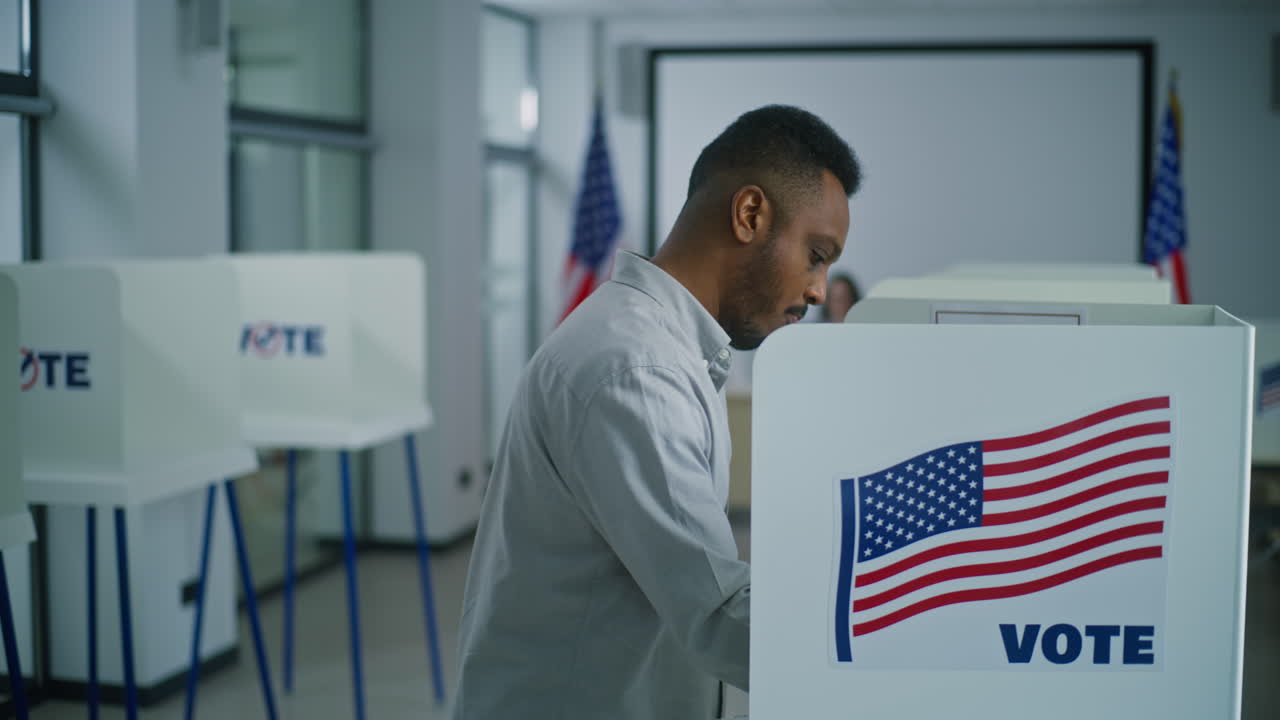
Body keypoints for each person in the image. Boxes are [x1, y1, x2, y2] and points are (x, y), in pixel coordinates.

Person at [452, 105, 862, 720]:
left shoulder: (664, 349)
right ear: (751, 214)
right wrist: (899, 651)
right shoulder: (636, 370)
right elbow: (720, 614)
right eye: (816, 254)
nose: (817, 289)